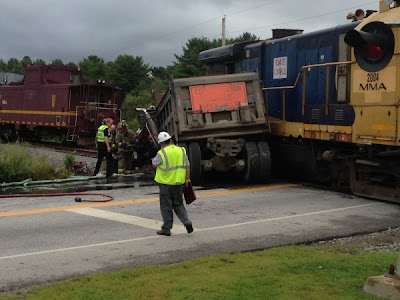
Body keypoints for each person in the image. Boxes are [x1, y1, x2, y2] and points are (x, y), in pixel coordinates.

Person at [152, 131, 193, 236]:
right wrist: (187, 179)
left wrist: (161, 150)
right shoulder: (181, 150)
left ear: (161, 143)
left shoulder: (162, 153)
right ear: (170, 140)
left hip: (165, 184)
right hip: (179, 183)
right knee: (179, 204)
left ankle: (166, 228)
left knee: (166, 207)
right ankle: (186, 221)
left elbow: (154, 164)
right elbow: (187, 166)